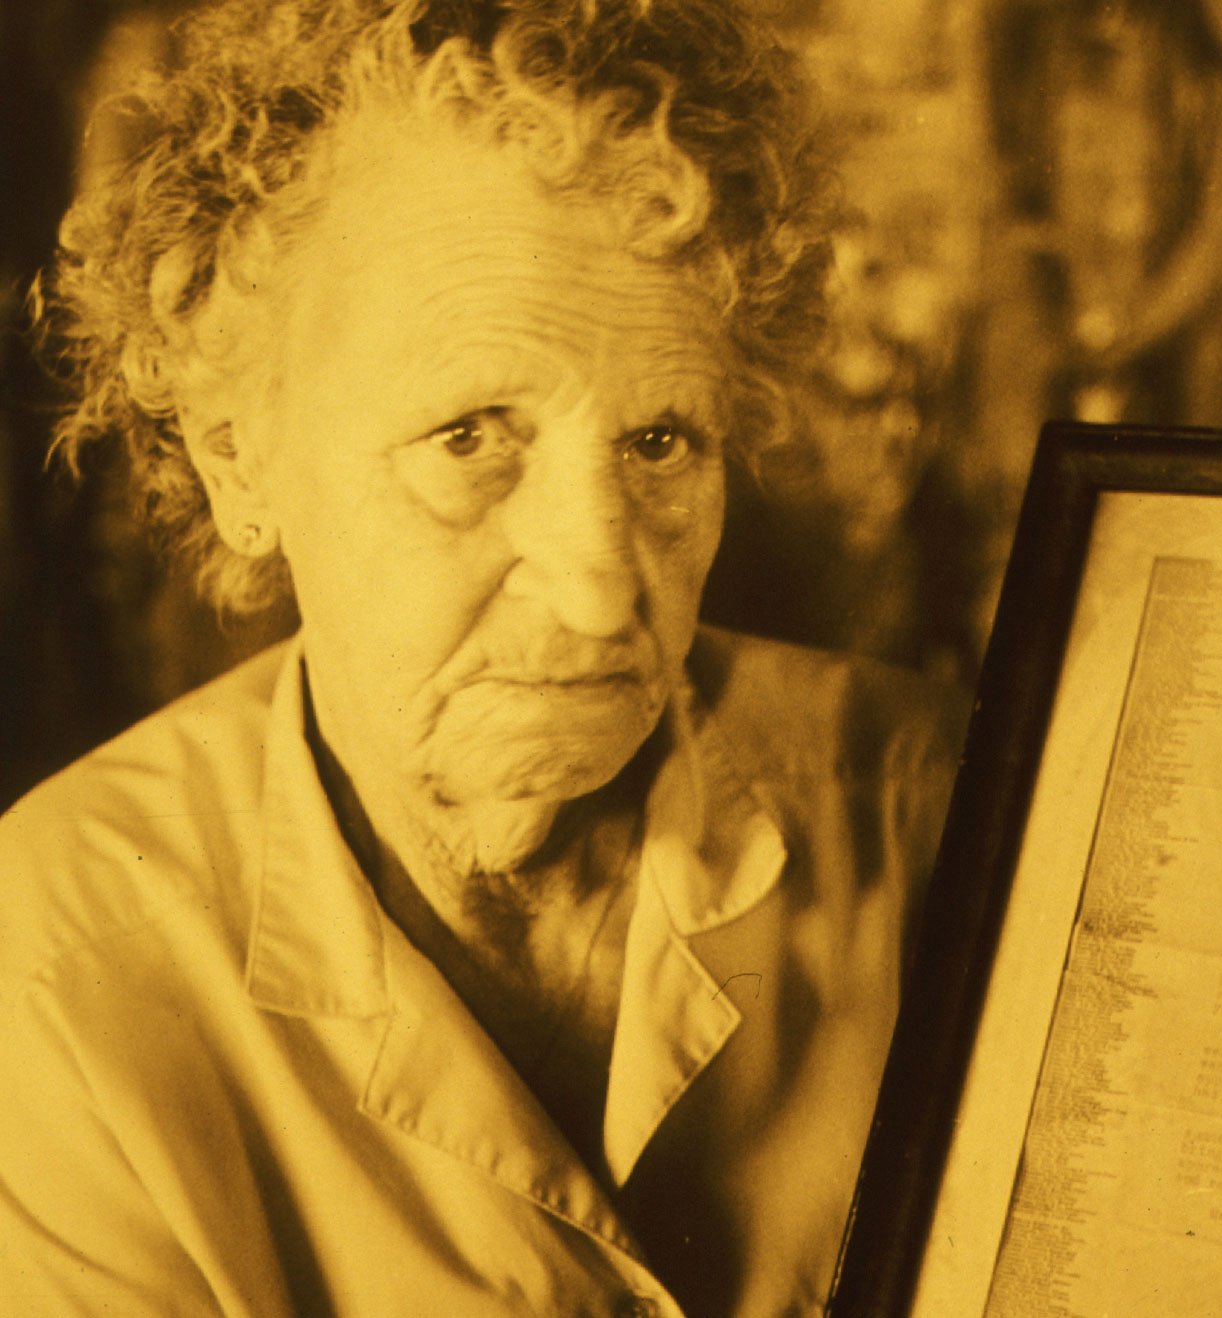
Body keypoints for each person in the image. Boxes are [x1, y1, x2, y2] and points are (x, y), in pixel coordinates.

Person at [0, 0, 962, 1313]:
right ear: (237, 455)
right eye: (469, 437)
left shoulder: (941, 811)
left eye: (662, 440)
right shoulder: (51, 976)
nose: (599, 579)